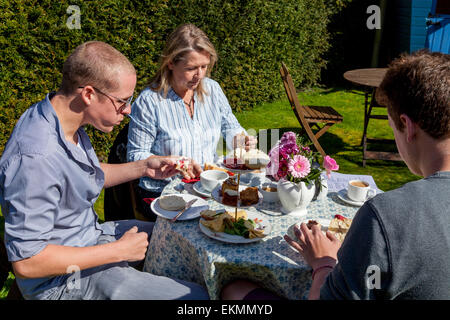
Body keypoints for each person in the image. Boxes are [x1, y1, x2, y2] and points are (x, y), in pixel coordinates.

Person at [222, 50, 450, 300]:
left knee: (235, 290)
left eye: (391, 127)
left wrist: (323, 264)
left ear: (407, 126)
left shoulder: (386, 217)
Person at [0, 41, 209, 300]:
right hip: (62, 281)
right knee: (195, 298)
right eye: (122, 101)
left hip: (91, 237)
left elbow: (80, 176)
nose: (128, 110)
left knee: (186, 238)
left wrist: (145, 166)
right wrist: (118, 251)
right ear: (88, 94)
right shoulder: (35, 158)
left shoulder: (60, 118)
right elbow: (28, 262)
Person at [126, 24, 257, 221]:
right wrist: (175, 162)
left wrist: (242, 141)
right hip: (166, 194)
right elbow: (135, 155)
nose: (200, 75)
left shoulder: (213, 90)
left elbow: (230, 127)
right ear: (170, 63)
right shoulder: (149, 101)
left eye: (204, 66)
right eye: (191, 68)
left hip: (208, 188)